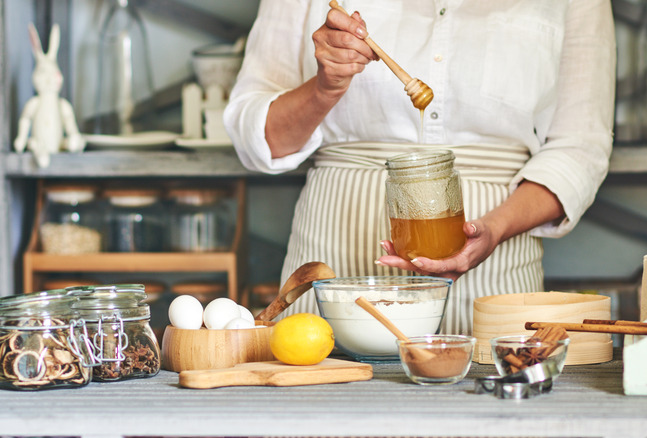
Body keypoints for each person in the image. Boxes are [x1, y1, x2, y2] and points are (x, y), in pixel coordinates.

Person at [224, 0, 616, 335]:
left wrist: (494, 230)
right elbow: (257, 138)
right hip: (334, 269)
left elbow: (580, 146)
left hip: (498, 277)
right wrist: (325, 88)